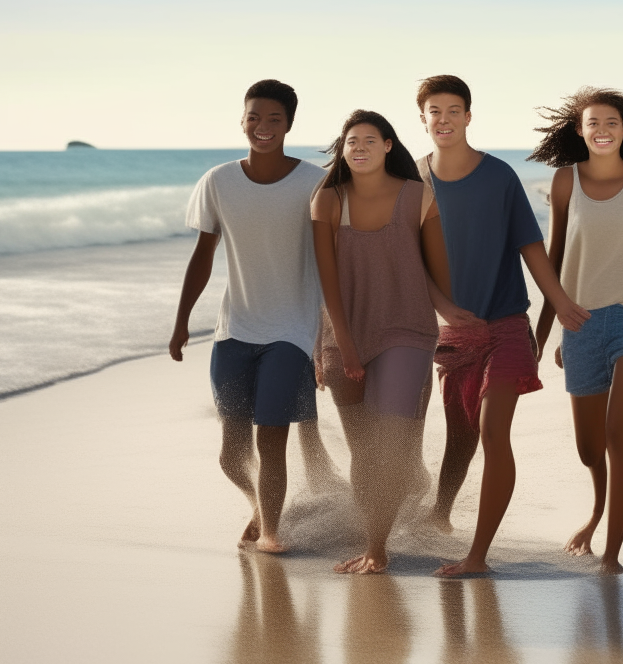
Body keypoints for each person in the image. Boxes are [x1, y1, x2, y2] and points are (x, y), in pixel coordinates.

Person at [414, 75, 590, 576]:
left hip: (508, 323)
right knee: (460, 439)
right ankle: (440, 515)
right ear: (422, 119)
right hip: (453, 333)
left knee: (493, 432)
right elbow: (409, 259)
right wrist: (444, 309)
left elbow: (530, 248)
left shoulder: (500, 177)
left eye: (453, 110)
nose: (444, 119)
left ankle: (477, 555)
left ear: (469, 116)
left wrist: (559, 304)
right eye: (434, 111)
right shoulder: (412, 181)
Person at [310, 109, 481, 574]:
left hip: (406, 330)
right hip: (341, 333)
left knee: (386, 444)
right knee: (366, 453)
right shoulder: (326, 201)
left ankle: (376, 548)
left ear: (389, 145)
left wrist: (451, 312)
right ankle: (401, 490)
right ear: (342, 151)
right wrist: (339, 347)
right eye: (351, 141)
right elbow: (325, 283)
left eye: (370, 139)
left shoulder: (418, 197)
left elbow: (432, 269)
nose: (359, 147)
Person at [170, 79, 326, 554]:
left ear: (289, 126)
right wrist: (181, 321)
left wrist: (331, 331)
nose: (262, 127)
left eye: (274, 119)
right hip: (234, 328)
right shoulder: (218, 181)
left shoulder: (314, 182)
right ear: (242, 120)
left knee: (271, 439)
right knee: (231, 454)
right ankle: (260, 506)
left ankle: (273, 531)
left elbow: (335, 260)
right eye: (254, 117)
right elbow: (203, 255)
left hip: (292, 330)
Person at [530, 87, 623, 574]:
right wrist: (545, 329)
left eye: (611, 122)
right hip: (582, 322)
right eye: (593, 123)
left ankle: (613, 553)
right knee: (589, 447)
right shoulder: (563, 182)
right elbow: (554, 259)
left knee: (620, 435)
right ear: (580, 130)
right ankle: (597, 511)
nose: (602, 130)